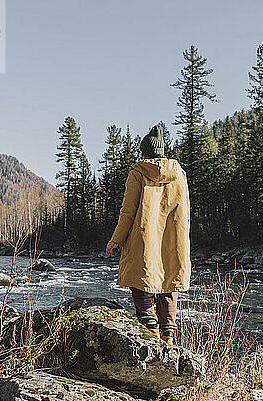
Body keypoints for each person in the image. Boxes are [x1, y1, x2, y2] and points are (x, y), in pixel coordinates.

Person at [105, 124, 191, 345]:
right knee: (170, 283)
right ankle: (168, 336)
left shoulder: (138, 172)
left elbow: (128, 212)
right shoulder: (179, 174)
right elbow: (185, 211)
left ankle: (150, 329)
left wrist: (116, 241)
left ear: (144, 152)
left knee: (141, 280)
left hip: (143, 240)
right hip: (174, 238)